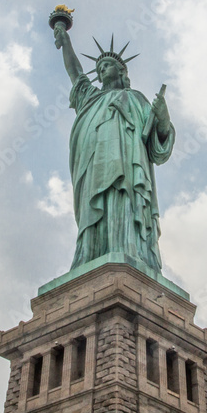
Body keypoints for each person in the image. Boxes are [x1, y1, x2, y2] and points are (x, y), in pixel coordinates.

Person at [52, 18, 175, 272]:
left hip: (128, 171)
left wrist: (163, 119)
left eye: (106, 66)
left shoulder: (136, 99)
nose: (100, 71)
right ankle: (90, 257)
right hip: (94, 167)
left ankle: (128, 252)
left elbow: (157, 147)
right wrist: (65, 42)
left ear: (121, 71)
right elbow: (76, 74)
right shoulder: (90, 98)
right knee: (94, 213)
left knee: (122, 207)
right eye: (98, 68)